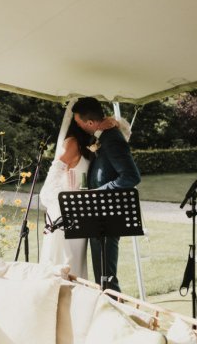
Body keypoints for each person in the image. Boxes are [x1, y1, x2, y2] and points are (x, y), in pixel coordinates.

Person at [72, 97, 141, 292]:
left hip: (108, 216)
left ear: (91, 123)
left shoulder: (112, 139)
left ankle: (114, 315)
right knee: (102, 275)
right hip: (99, 213)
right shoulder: (104, 136)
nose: (79, 126)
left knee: (106, 278)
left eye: (80, 123)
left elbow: (131, 177)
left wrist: (98, 193)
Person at [39, 100, 93, 278]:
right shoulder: (75, 144)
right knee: (66, 262)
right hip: (65, 212)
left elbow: (50, 184)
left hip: (76, 211)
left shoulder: (83, 144)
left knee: (73, 262)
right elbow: (56, 172)